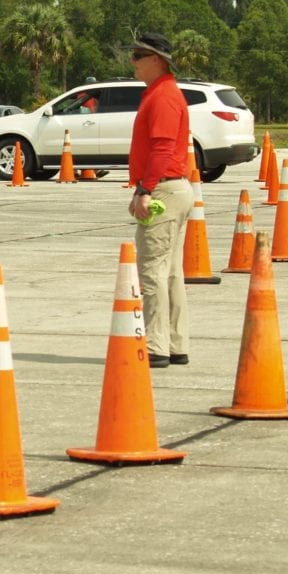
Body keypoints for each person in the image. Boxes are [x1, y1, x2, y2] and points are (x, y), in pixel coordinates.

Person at [126, 32, 192, 368]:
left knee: (151, 269)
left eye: (138, 55)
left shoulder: (163, 96)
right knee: (170, 272)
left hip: (164, 188)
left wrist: (144, 189)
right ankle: (175, 343)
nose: (132, 60)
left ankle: (155, 345)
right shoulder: (160, 93)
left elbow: (163, 148)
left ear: (156, 60)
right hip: (171, 187)